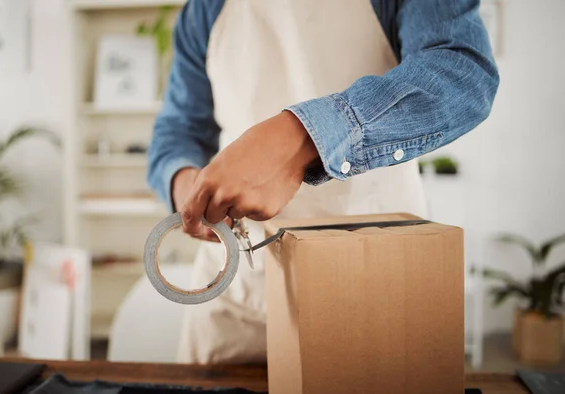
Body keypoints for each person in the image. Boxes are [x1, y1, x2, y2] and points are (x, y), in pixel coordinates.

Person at [147, 0, 499, 364]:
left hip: (378, 283)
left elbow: (461, 69)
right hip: (239, 300)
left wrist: (301, 137)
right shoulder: (202, 9)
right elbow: (178, 130)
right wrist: (187, 184)